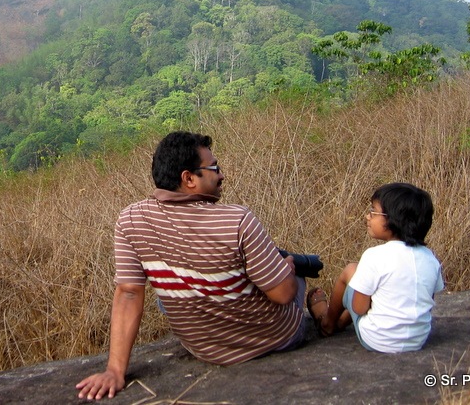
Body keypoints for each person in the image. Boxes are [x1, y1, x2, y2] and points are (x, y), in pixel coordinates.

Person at [76, 131, 307, 400]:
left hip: (203, 349)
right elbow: (283, 294)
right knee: (296, 278)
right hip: (272, 340)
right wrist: (286, 268)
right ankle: (319, 308)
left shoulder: (131, 219)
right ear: (188, 179)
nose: (221, 176)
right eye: (215, 169)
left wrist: (115, 370)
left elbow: (128, 292)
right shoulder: (238, 220)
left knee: (166, 296)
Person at [306, 182, 445, 353]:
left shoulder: (374, 256)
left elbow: (359, 308)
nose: (367, 216)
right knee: (376, 285)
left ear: (394, 220)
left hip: (378, 339)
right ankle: (339, 321)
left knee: (351, 271)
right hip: (417, 340)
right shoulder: (430, 258)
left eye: (373, 211)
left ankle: (328, 323)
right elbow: (427, 298)